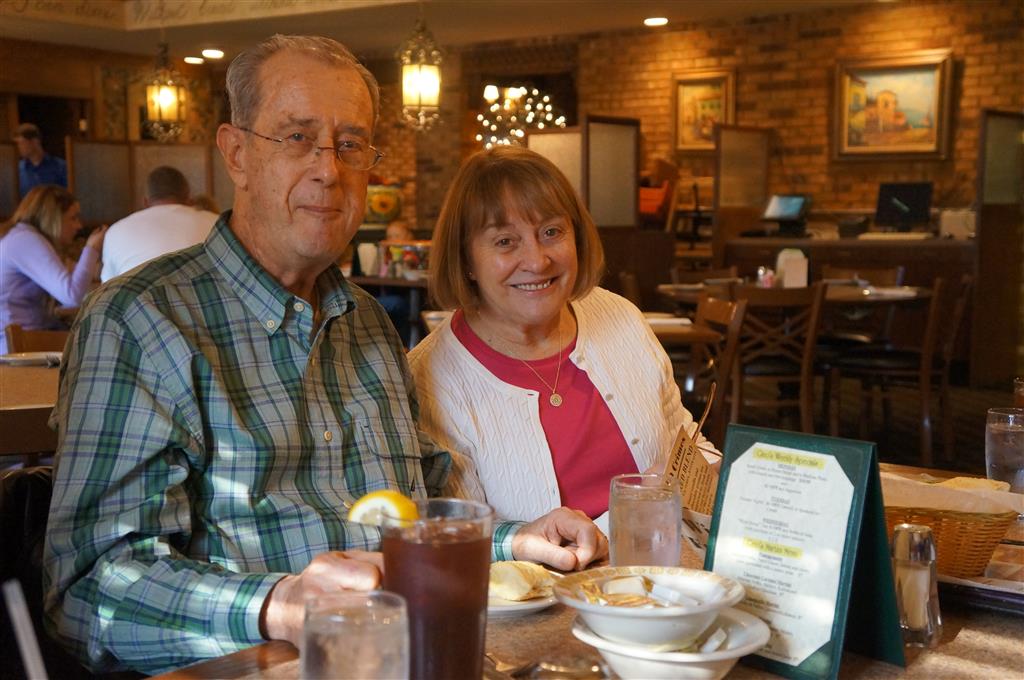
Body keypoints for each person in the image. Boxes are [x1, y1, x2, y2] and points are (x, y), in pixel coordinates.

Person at [43, 35, 605, 676]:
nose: (329, 170)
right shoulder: (140, 321)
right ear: (236, 154)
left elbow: (411, 516)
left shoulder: (367, 323)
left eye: (350, 144)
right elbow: (87, 588)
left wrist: (516, 540)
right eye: (297, 137)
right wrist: (279, 606)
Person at [407, 146, 720, 528]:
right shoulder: (430, 381)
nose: (537, 260)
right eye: (505, 241)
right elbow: (462, 536)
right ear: (466, 260)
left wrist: (709, 476)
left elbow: (687, 442)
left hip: (664, 562)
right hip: (541, 572)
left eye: (551, 232)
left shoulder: (620, 317)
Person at [0, 185, 106, 354]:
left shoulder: (21, 236)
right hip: (19, 347)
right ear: (53, 218)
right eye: (73, 218)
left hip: (26, 340)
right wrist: (92, 249)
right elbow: (72, 295)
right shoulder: (25, 240)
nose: (79, 226)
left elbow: (72, 277)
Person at [100, 165, 218, 281]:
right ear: (188, 198)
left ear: (145, 202)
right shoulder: (216, 223)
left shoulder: (116, 231)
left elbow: (108, 286)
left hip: (138, 294)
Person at [14, 123, 68, 197]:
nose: (18, 147)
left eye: (21, 143)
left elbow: (67, 196)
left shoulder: (60, 167)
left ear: (35, 141)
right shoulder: (18, 169)